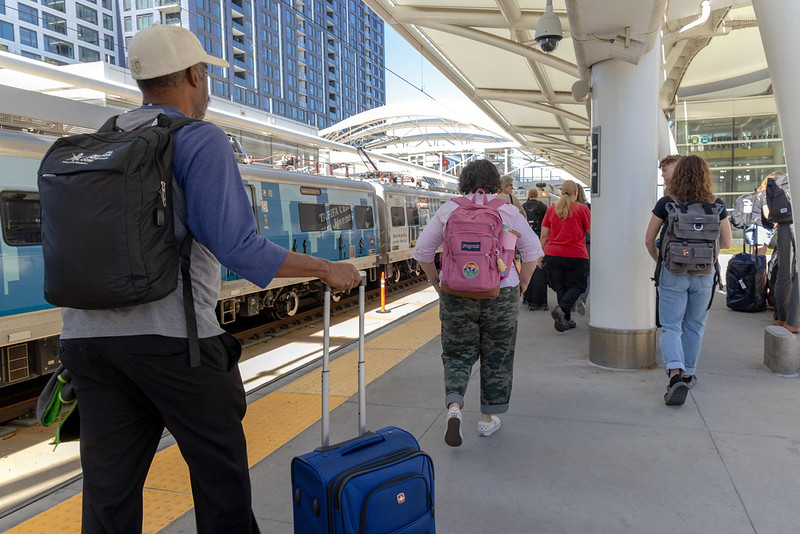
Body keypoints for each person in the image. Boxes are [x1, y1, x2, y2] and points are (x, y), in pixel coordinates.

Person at [56, 25, 362, 534]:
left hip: (86, 344)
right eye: (205, 74)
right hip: (175, 346)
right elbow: (239, 248)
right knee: (222, 492)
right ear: (195, 76)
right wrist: (327, 269)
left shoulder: (100, 140)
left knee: (107, 500)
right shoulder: (198, 138)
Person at [413, 160, 543, 446]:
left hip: (456, 292)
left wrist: (437, 282)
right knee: (498, 356)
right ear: (495, 182)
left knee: (457, 354)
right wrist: (522, 283)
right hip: (501, 293)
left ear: (464, 182)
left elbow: (422, 251)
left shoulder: (449, 209)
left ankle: (454, 407)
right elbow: (533, 250)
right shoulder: (507, 210)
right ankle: (487, 420)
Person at [645, 155, 732, 405]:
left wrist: (661, 260)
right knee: (695, 325)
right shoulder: (717, 204)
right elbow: (727, 242)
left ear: (680, 174)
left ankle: (675, 374)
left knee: (671, 326)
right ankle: (689, 373)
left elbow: (649, 240)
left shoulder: (667, 203)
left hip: (673, 272)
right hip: (704, 274)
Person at [540, 180, 591, 332]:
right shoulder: (582, 209)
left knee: (561, 286)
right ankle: (562, 309)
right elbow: (591, 232)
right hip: (576, 254)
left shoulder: (551, 210)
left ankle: (565, 320)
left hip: (553, 254)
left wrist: (540, 254)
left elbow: (544, 235)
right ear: (576, 192)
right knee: (579, 285)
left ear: (562, 192)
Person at [761, 172, 799, 333]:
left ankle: (782, 318)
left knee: (783, 274)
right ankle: (794, 321)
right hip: (796, 223)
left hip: (783, 225)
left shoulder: (782, 180)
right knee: (797, 274)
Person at [522, 188, 549, 310]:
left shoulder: (523, 206)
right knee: (539, 270)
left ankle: (528, 297)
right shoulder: (543, 206)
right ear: (537, 195)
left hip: (526, 241)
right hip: (538, 240)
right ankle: (540, 301)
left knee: (527, 269)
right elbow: (546, 227)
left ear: (529, 195)